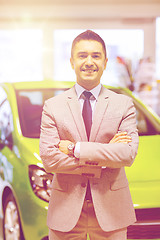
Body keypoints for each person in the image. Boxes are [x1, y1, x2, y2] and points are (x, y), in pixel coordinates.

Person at [39, 30, 139, 240]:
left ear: (105, 61)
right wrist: (104, 159)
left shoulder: (123, 104)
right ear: (72, 61)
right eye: (82, 55)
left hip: (112, 213)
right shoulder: (53, 106)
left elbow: (127, 154)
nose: (89, 62)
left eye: (96, 56)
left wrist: (75, 149)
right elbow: (49, 159)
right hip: (65, 213)